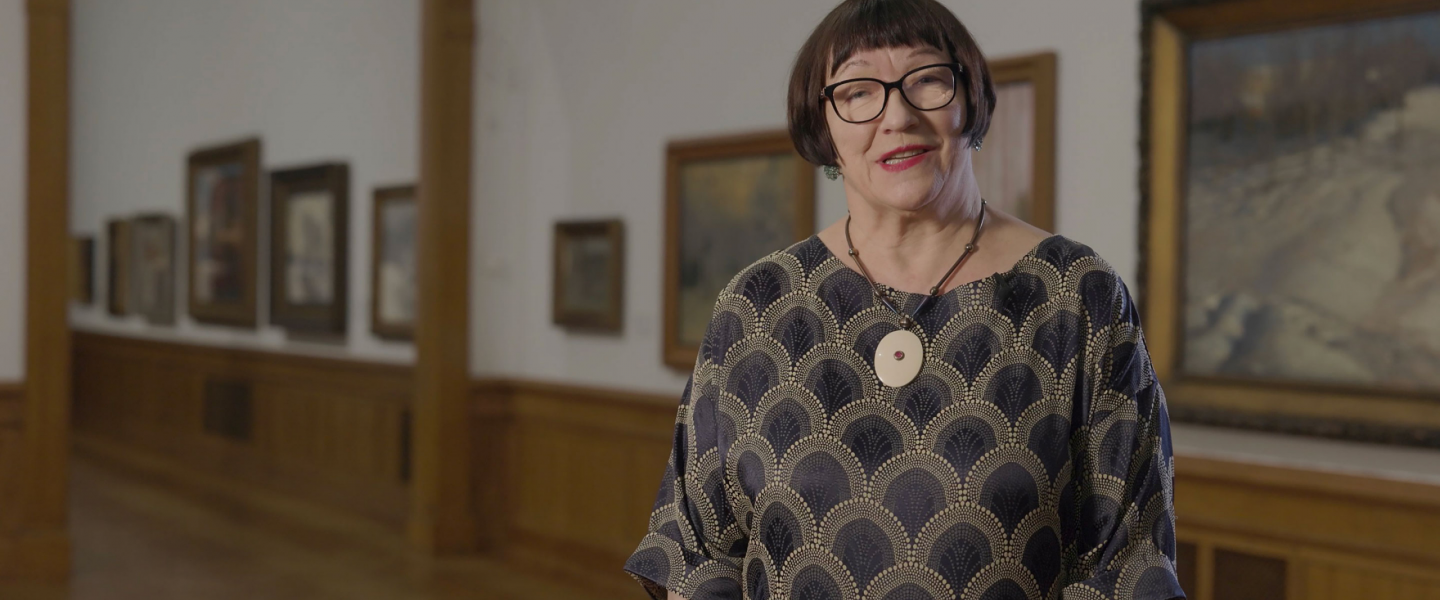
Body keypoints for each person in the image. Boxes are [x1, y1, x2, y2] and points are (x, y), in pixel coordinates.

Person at [624, 1, 1185, 599]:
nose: (898, 114)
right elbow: (699, 551)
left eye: (927, 79)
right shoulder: (756, 304)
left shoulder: (1078, 295)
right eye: (859, 91)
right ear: (824, 128)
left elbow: (1124, 562)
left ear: (969, 99)